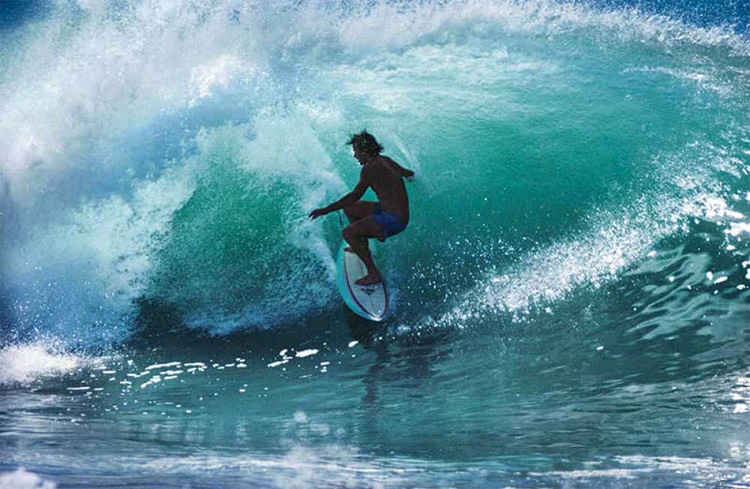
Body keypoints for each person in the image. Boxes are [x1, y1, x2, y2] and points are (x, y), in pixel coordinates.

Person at [309, 130, 415, 286]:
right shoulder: (386, 160)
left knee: (348, 232)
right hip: (392, 212)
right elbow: (407, 173)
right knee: (351, 209)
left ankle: (373, 274)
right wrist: (411, 178)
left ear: (365, 152)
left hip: (394, 220)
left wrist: (325, 210)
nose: (354, 155)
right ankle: (362, 244)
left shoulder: (370, 168)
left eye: (356, 152)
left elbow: (354, 195)